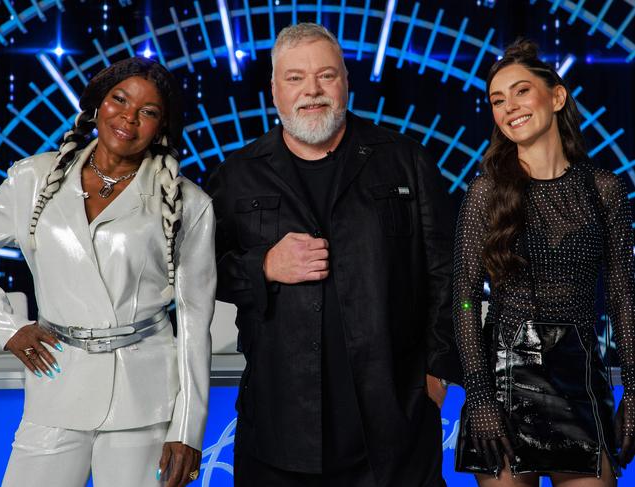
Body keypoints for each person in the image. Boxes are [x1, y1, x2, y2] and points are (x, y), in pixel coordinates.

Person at [206, 22, 461, 486]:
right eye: (296, 78)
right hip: (280, 428)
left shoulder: (406, 160)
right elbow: (199, 272)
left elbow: (449, 273)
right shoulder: (237, 175)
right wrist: (263, 266)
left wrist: (437, 370)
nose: (313, 91)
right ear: (274, 90)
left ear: (346, 81)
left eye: (326, 75)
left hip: (395, 426)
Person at [0, 57, 216, 487]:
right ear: (97, 104)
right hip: (56, 381)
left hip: (145, 399)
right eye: (119, 100)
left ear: (162, 126)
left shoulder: (189, 202)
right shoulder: (31, 178)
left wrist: (187, 428)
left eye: (148, 112)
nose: (129, 117)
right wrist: (8, 326)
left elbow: (194, 319)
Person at [453, 39, 635, 486]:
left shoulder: (603, 189)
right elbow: (462, 301)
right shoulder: (486, 193)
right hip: (502, 380)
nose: (508, 107)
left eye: (520, 91)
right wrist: (478, 396)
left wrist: (633, 385)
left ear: (556, 97)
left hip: (579, 378)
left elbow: (624, 297)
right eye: (497, 100)